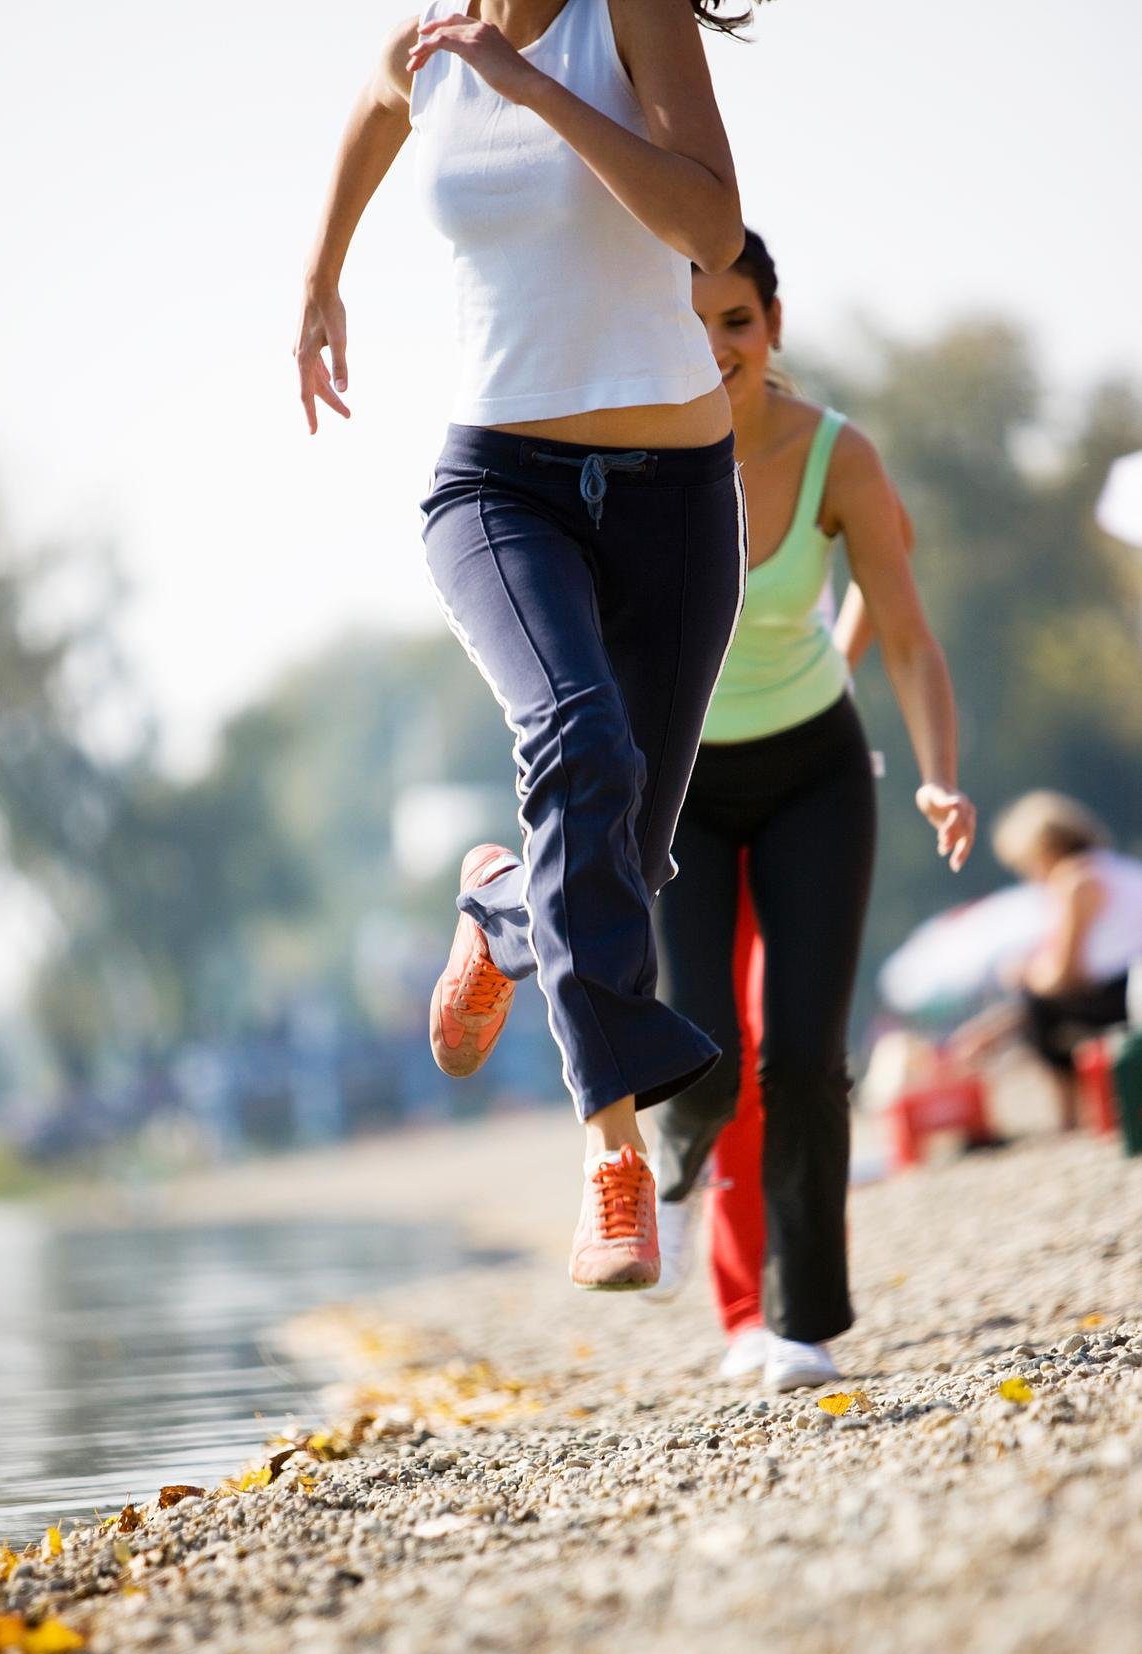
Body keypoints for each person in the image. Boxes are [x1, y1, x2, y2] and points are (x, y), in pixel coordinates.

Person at [295, 2, 753, 1290]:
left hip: (675, 495)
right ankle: (613, 1161)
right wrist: (321, 277)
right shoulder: (429, 40)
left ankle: (503, 910)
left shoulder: (627, 16)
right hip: (497, 487)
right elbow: (375, 107)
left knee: (624, 860)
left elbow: (712, 229)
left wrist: (534, 90)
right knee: (578, 737)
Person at [644, 229, 977, 1389]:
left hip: (812, 775)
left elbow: (909, 632)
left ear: (773, 325)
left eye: (735, 320)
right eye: (687, 322)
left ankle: (797, 1321)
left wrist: (938, 771)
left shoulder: (838, 452)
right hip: (684, 787)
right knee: (705, 1052)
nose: (715, 345)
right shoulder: (632, 453)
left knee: (801, 1056)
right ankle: (693, 1221)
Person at [953, 792, 1142, 1129]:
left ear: (1042, 852)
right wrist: (998, 1029)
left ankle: (1071, 1111)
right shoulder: (1116, 867)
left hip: (1124, 991)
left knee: (1037, 1002)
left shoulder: (1075, 882)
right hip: (1128, 983)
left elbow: (1065, 977)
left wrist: (1024, 974)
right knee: (1033, 1002)